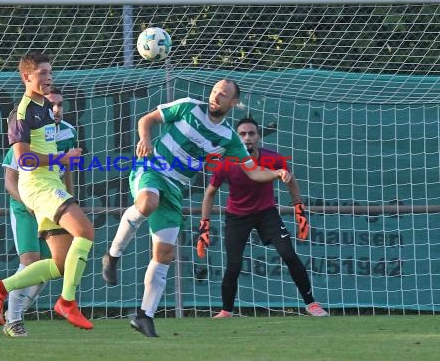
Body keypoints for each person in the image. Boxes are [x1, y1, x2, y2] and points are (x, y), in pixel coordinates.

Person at [101, 79, 292, 337]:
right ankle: (112, 256)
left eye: (223, 95)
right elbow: (146, 120)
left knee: (165, 254)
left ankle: (144, 316)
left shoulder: (229, 138)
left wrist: (276, 172)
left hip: (175, 187)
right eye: (215, 91)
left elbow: (254, 172)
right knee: (147, 202)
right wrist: (145, 140)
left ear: (233, 103)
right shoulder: (188, 107)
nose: (216, 97)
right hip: (152, 168)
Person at [0, 52, 94, 330]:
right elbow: (23, 160)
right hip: (37, 186)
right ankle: (67, 303)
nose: (49, 78)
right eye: (43, 73)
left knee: (59, 264)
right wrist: (63, 159)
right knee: (86, 232)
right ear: (27, 77)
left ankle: (1, 287)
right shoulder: (21, 112)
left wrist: (65, 162)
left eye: (50, 73)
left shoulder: (45, 108)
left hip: (51, 185)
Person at [199, 117, 329, 318]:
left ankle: (312, 304)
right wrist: (204, 225)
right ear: (236, 137)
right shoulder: (225, 162)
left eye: (251, 133)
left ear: (259, 136)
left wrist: (300, 213)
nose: (247, 138)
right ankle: (226, 311)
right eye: (242, 134)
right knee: (233, 264)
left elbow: (291, 181)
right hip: (236, 217)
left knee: (289, 255)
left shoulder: (273, 159)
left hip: (266, 214)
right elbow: (209, 193)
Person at [0, 87, 78, 337]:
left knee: (52, 265)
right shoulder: (27, 130)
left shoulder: (68, 132)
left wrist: (69, 200)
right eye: (50, 104)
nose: (55, 109)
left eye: (60, 105)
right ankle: (13, 319)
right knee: (30, 261)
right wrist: (29, 203)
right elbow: (10, 179)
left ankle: (15, 312)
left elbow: (67, 170)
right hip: (25, 206)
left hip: (52, 202)